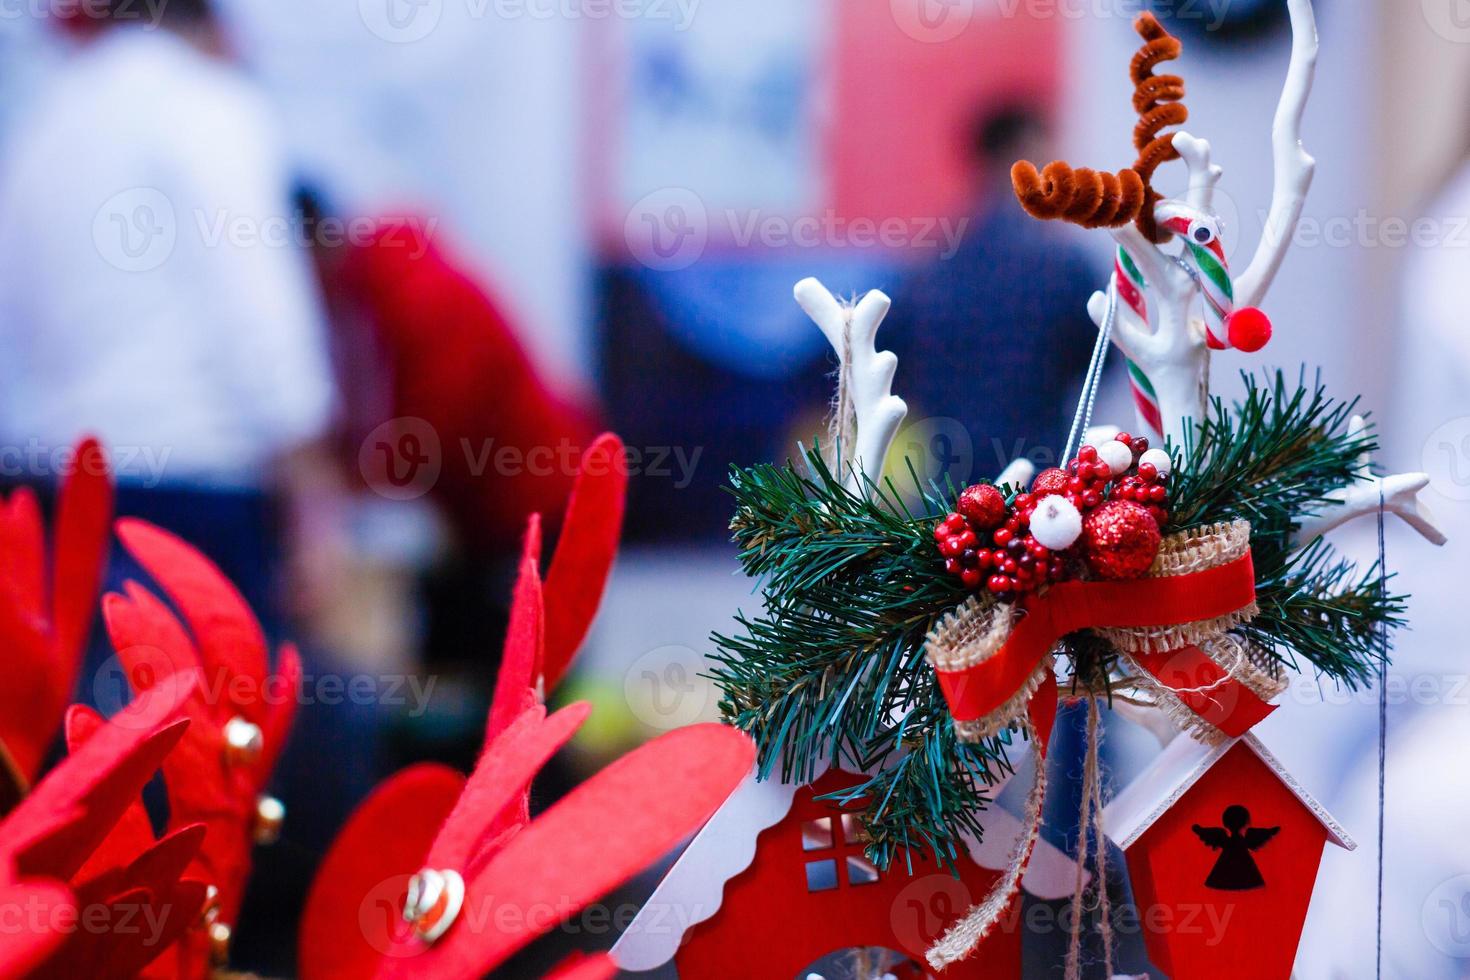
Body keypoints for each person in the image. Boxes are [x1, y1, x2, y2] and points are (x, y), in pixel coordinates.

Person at [0, 3, 363, 971]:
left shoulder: (44, 117)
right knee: (211, 816)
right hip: (191, 502)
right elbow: (262, 316)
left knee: (72, 818)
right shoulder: (206, 106)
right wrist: (317, 501)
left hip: (47, 497)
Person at [883, 104, 1104, 477]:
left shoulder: (931, 265)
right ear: (1023, 155)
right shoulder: (1065, 264)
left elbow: (892, 356)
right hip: (1047, 485)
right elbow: (1103, 356)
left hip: (950, 481)